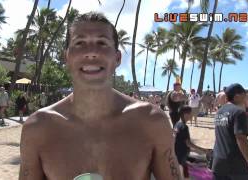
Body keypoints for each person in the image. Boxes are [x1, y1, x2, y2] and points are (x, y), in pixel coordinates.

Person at [19, 12, 182, 180]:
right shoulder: (38, 128)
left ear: (117, 58)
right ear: (66, 57)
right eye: (80, 43)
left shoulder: (151, 122)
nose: (91, 53)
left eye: (102, 43)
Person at [212, 83, 248, 180]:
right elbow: (241, 138)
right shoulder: (238, 112)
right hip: (235, 165)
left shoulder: (219, 112)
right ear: (237, 96)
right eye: (244, 95)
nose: (246, 97)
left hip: (218, 161)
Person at [174, 105, 210, 179]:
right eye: (191, 113)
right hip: (181, 156)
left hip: (179, 155)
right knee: (184, 176)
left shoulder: (177, 124)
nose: (192, 115)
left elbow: (180, 141)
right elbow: (188, 143)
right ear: (185, 114)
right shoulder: (184, 127)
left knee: (185, 174)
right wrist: (203, 150)